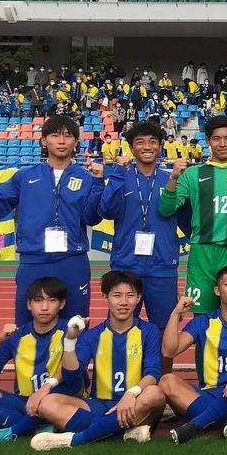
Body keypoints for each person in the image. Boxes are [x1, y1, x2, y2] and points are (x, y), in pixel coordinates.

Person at [29, 271, 165, 450]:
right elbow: (72, 373)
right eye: (117, 295)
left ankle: (77, 439)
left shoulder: (149, 331)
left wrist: (130, 394)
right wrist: (70, 341)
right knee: (47, 403)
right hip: (99, 404)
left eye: (130, 295)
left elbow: (153, 372)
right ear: (105, 297)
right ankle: (123, 433)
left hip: (135, 403)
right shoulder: (93, 334)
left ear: (138, 298)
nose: (123, 302)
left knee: (155, 394)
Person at [0, 115, 104, 323]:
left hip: (72, 259)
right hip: (33, 258)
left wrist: (99, 184)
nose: (61, 141)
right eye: (54, 135)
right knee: (26, 325)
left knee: (76, 324)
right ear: (44, 141)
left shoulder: (85, 177)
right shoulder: (24, 176)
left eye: (67, 136)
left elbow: (92, 218)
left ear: (76, 142)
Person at [96, 120, 181, 372]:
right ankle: (122, 380)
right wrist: (116, 176)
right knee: (121, 323)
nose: (147, 147)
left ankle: (163, 384)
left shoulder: (172, 180)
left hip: (162, 265)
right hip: (126, 264)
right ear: (131, 148)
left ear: (161, 147)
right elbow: (105, 211)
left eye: (153, 142)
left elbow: (188, 221)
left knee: (165, 327)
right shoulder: (121, 178)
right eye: (140, 142)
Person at [159, 116, 227, 314]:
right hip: (202, 255)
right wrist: (173, 178)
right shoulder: (192, 174)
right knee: (202, 319)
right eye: (216, 138)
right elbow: (166, 209)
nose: (222, 144)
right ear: (207, 141)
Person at [159, 265, 227, 443]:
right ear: (217, 290)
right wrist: (175, 313)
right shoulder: (203, 322)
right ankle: (224, 423)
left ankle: (197, 424)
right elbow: (169, 350)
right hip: (208, 395)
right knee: (166, 381)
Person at [0, 278, 68, 442]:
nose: (44, 307)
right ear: (29, 304)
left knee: (61, 396)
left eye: (52, 300)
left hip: (58, 400)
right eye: (38, 300)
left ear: (62, 304)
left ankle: (14, 431)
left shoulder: (70, 332)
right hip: (24, 403)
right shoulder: (16, 336)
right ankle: (39, 424)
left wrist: (45, 392)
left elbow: (73, 372)